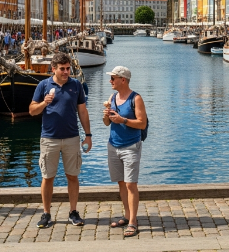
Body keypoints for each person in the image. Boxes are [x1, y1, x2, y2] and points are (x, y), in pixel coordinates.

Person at [29, 53, 91, 228]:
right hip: (49, 139)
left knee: (73, 176)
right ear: (53, 69)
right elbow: (32, 110)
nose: (66, 72)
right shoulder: (43, 85)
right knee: (47, 177)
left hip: (72, 138)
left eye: (68, 68)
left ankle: (73, 211)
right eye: (62, 68)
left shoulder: (76, 85)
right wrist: (44, 103)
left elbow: (83, 112)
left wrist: (88, 135)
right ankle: (46, 213)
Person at [102, 66, 148, 238]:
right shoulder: (113, 97)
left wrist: (123, 120)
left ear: (123, 79)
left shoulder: (136, 98)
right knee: (121, 183)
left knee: (131, 184)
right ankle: (127, 215)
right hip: (113, 145)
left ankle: (133, 222)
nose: (110, 81)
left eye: (113, 78)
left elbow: (142, 124)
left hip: (130, 146)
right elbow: (107, 123)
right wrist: (107, 115)